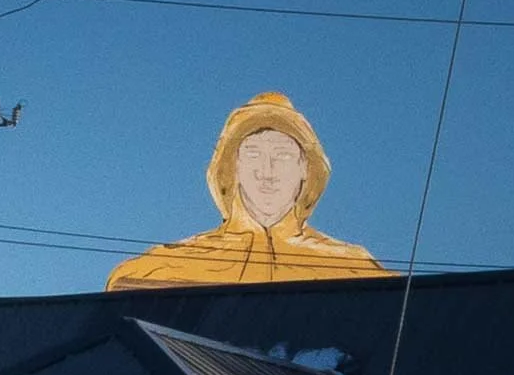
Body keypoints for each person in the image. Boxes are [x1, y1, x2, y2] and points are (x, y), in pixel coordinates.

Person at [105, 91, 386, 290]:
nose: (267, 171)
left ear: (306, 169)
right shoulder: (164, 267)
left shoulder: (355, 269)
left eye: (283, 155)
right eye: (253, 154)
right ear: (233, 167)